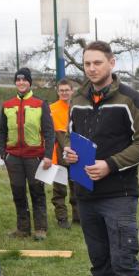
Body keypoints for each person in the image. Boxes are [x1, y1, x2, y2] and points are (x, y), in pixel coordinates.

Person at [63, 41, 139, 276]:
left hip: (119, 194)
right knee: (99, 259)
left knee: (124, 259)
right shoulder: (76, 99)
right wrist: (69, 153)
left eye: (97, 63)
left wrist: (111, 165)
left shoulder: (131, 99)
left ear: (111, 63)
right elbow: (72, 137)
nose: (92, 68)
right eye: (87, 63)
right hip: (85, 193)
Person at [0, 67, 55, 240]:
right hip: (13, 157)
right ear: (15, 82)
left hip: (35, 157)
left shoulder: (40, 104)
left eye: (24, 80)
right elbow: (1, 130)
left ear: (29, 82)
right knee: (18, 193)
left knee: (37, 192)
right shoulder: (7, 105)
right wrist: (3, 154)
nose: (21, 82)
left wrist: (48, 155)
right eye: (18, 80)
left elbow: (49, 132)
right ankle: (22, 229)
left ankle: (40, 229)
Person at [49, 78, 77, 228]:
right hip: (58, 156)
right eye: (61, 90)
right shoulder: (51, 109)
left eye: (67, 90)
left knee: (77, 188)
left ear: (72, 91)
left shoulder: (78, 108)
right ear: (57, 91)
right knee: (59, 190)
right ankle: (62, 219)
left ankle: (78, 217)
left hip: (76, 156)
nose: (64, 93)